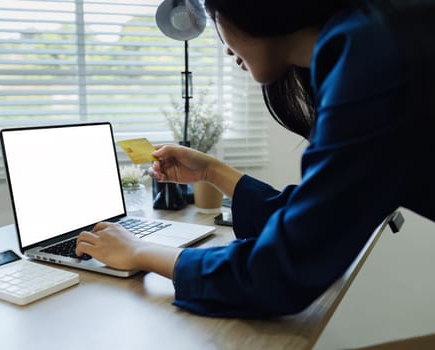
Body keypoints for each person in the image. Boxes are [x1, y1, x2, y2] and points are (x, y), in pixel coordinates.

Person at [75, 0, 435, 318]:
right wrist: (211, 171)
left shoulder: (370, 60)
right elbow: (317, 215)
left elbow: (279, 272)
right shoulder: (371, 34)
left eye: (215, 12)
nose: (222, 44)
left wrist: (140, 251)